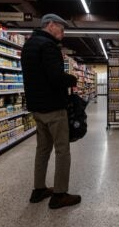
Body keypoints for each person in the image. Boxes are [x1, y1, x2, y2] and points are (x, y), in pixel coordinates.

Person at [21, 13, 81, 209]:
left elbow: (37, 76)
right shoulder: (48, 46)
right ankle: (60, 194)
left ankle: (38, 190)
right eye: (61, 29)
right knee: (62, 150)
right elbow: (55, 77)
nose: (62, 34)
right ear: (51, 25)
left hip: (37, 107)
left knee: (42, 149)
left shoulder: (29, 45)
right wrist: (71, 79)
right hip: (53, 107)